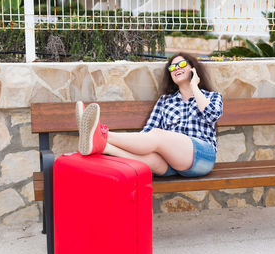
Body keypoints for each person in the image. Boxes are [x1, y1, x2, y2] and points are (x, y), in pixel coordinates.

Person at [76, 52, 223, 177]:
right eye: (172, 67)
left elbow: (212, 115)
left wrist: (194, 87)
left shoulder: (211, 96)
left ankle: (101, 133)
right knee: (148, 157)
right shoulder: (165, 101)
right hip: (173, 163)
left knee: (158, 134)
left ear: (193, 69)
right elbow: (147, 135)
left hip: (202, 156)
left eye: (182, 64)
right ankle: (102, 146)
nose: (176, 68)